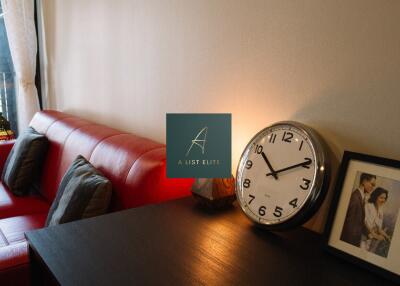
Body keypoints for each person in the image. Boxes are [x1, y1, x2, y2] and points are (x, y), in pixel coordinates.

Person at [340, 173, 376, 247]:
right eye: (372, 184)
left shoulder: (360, 197)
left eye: (374, 186)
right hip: (350, 243)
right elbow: (349, 226)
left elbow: (359, 222)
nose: (373, 187)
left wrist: (368, 234)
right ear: (364, 181)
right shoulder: (355, 198)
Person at [361, 187, 391, 254]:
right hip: (363, 237)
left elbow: (379, 228)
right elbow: (365, 224)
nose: (383, 200)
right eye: (381, 197)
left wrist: (387, 237)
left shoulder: (381, 210)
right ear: (375, 197)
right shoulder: (368, 206)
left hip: (370, 240)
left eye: (384, 198)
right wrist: (376, 236)